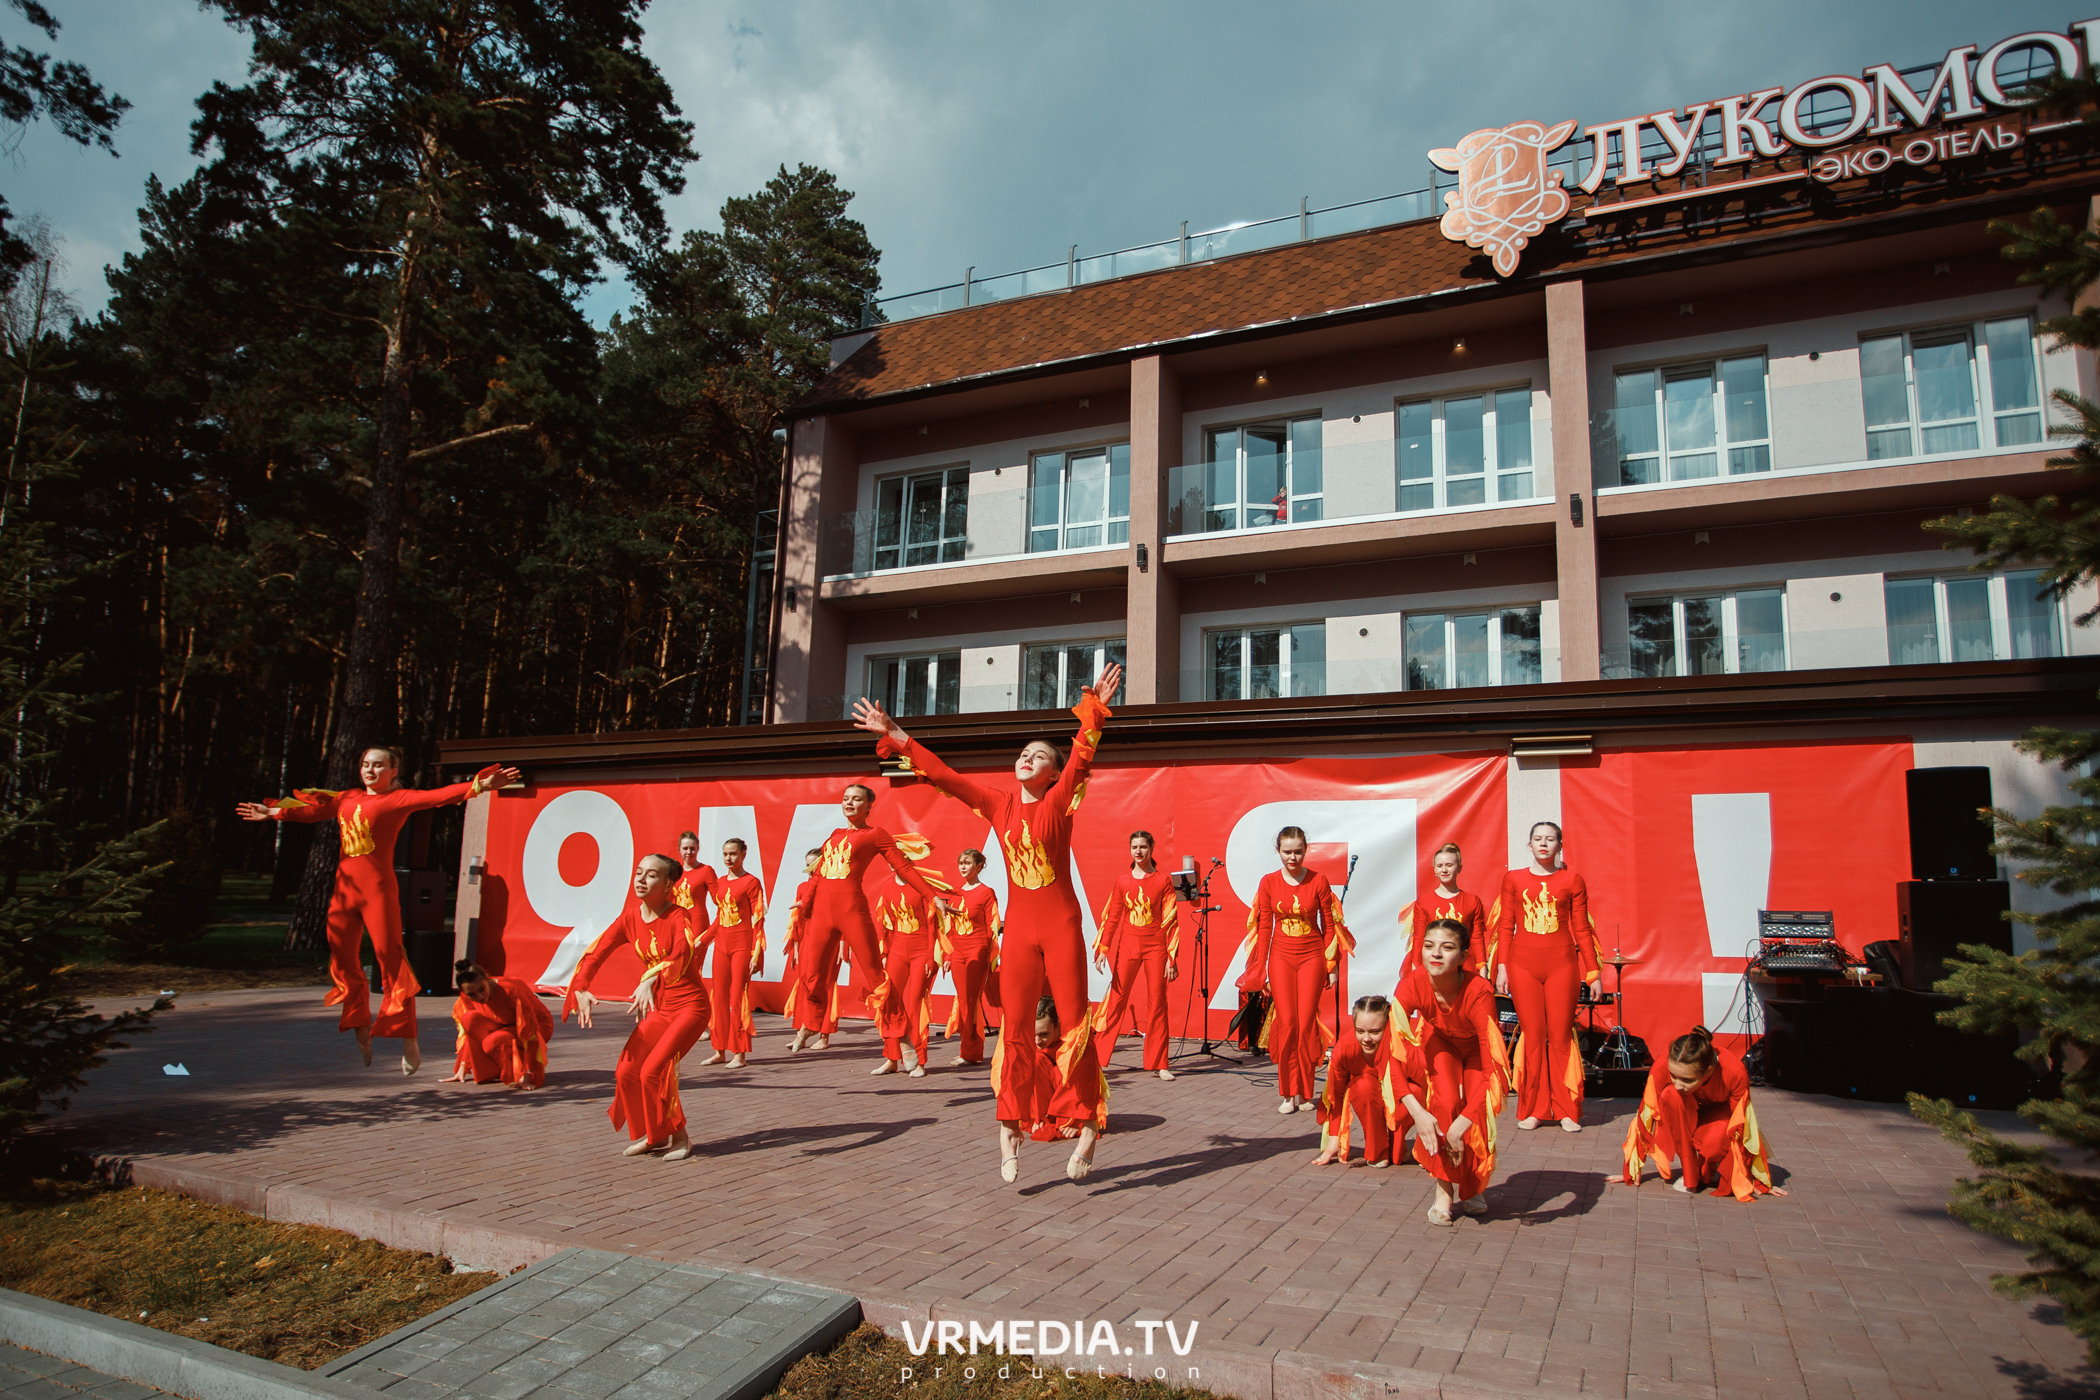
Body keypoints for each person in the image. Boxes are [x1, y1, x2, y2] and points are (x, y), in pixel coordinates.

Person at [853, 662, 1123, 1184]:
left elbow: (1083, 758)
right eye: (1024, 753)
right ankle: (1010, 1125)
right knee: (1015, 1029)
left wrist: (1093, 714)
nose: (1027, 758)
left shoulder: (1059, 802)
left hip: (1063, 926)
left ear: (1051, 772)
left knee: (1073, 1027)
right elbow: (947, 776)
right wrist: (899, 736)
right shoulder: (998, 805)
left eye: (1040, 756)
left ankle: (1087, 1121)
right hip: (1020, 931)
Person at [236, 748, 518, 1074]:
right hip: (344, 895)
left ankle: (408, 1035)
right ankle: (360, 1027)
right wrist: (273, 814)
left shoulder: (396, 800)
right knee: (343, 961)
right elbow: (311, 812)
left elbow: (435, 797)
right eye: (366, 764)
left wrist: (479, 786)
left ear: (392, 770)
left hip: (378, 894)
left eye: (378, 765)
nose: (371, 770)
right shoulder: (346, 798)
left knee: (391, 961)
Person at [565, 854, 710, 1161]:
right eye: (639, 873)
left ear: (668, 884)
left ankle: (681, 1137)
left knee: (654, 1071)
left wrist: (651, 975)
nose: (642, 879)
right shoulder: (630, 918)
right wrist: (580, 986)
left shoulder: (678, 917)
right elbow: (596, 952)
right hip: (662, 1009)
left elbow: (683, 954)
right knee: (627, 1072)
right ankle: (656, 1137)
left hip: (690, 1008)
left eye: (652, 875)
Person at [786, 786, 945, 1057]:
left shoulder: (875, 834)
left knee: (875, 977)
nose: (850, 803)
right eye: (846, 798)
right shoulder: (834, 836)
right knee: (811, 974)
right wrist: (806, 900)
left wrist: (931, 896)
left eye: (857, 799)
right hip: (823, 912)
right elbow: (819, 874)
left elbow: (903, 867)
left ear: (869, 805)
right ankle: (810, 1024)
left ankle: (901, 1037)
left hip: (852, 911)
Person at [1394, 918, 1511, 1226]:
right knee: (1444, 1102)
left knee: (1475, 1111)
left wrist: (1464, 1122)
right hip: (1439, 1040)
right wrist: (1415, 1109)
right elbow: (1390, 1054)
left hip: (1475, 1049)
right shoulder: (1412, 983)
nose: (1436, 954)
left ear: (1463, 955)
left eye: (1447, 948)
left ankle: (1472, 1187)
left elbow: (1493, 1069)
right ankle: (1443, 1190)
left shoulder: (1479, 991)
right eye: (1429, 946)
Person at [1488, 820, 1600, 1132]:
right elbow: (1506, 925)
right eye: (1537, 838)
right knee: (1533, 1036)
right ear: (1530, 844)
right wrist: (1501, 967)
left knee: (1562, 1036)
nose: (1543, 844)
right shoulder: (1513, 879)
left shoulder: (1572, 879)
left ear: (1560, 845)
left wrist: (1594, 973)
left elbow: (1582, 929)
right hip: (1522, 966)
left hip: (1562, 965)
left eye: (1550, 839)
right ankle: (1533, 1108)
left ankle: (1566, 1109)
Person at [1236, 826, 1354, 1114]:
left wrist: (1331, 965)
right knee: (1287, 1023)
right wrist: (1259, 968)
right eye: (1287, 851)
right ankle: (1288, 1092)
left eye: (1298, 851)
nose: (1293, 857)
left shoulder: (1318, 880)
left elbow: (1330, 925)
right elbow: (1265, 928)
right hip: (1281, 957)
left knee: (1305, 1024)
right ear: (1278, 851)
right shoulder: (1268, 882)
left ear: (1306, 849)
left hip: (1312, 956)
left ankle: (1305, 1091)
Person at [1619, 1027, 1780, 1201]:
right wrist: (1632, 1168)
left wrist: (1756, 1179)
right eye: (1673, 1076)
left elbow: (1743, 1125)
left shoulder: (1734, 1072)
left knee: (1714, 1143)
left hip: (1718, 1117)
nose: (1679, 1084)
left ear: (1710, 1070)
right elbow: (1646, 1113)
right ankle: (1690, 1175)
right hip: (1680, 1115)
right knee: (1670, 1094)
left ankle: (1707, 1168)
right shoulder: (1662, 1065)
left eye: (1687, 1080)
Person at [1092, 830, 1179, 1080]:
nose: (1138, 852)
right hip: (1128, 945)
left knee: (1157, 1002)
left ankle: (1160, 1062)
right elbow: (1112, 917)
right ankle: (1098, 1058)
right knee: (1117, 999)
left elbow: (1171, 920)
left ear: (1152, 848)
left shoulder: (1163, 881)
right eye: (1134, 847)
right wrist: (1103, 949)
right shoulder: (1122, 881)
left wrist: (1172, 958)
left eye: (1143, 847)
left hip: (1156, 946)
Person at [1010, 995, 1102, 1182]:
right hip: (1045, 1093)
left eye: (1044, 1034)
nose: (1038, 1040)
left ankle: (1069, 1117)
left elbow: (1088, 1082)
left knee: (1069, 1066)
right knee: (1036, 1061)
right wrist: (1036, 1118)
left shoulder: (1073, 1040)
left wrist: (1075, 1120)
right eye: (1034, 1034)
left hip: (1069, 1090)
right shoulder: (1033, 1046)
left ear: (1057, 1027)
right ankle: (1043, 1117)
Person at [698, 838, 767, 1070]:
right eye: (725, 854)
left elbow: (758, 920)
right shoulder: (720, 882)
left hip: (741, 946)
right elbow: (720, 917)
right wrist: (703, 940)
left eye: (733, 854)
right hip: (721, 946)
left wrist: (758, 954)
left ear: (743, 854)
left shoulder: (751, 882)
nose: (729, 858)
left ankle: (739, 1053)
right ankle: (719, 1051)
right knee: (717, 997)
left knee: (737, 997)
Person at [1313, 995, 1402, 1168]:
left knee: (1399, 1155)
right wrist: (1333, 1140)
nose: (1366, 1039)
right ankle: (1378, 1150)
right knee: (1361, 1086)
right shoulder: (1344, 1049)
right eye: (1360, 1031)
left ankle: (1401, 1145)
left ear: (1388, 1026)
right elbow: (1336, 1096)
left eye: (1375, 1032)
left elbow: (1426, 1088)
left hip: (1402, 1098)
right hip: (1369, 1094)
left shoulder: (1400, 1043)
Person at [442, 960, 552, 1088]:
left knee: (492, 1042)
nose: (480, 996)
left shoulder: (512, 990)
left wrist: (526, 1076)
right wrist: (462, 1068)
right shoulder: (466, 997)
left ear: (487, 978)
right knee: (469, 1019)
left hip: (537, 1026)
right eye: (472, 994)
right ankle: (491, 1071)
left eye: (482, 989)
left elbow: (529, 1031)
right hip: (502, 1024)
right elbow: (468, 1033)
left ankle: (514, 1070)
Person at [874, 870, 940, 1077]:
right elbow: (886, 920)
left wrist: (931, 955)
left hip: (921, 951)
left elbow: (932, 923)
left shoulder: (922, 885)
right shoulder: (886, 885)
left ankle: (919, 1061)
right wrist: (884, 950)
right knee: (890, 1003)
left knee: (914, 1005)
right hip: (897, 950)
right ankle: (891, 1058)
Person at [1395, 843, 1486, 992]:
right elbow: (1419, 937)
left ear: (1459, 868)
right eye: (1440, 866)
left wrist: (1482, 967)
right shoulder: (1424, 901)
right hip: (1433, 965)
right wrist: (1416, 967)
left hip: (1463, 966)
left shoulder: (1472, 901)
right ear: (1435, 870)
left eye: (1449, 865)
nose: (1444, 869)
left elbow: (1476, 938)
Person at [941, 849, 1002, 1066]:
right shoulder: (955, 893)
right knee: (962, 999)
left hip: (976, 949)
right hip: (957, 951)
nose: (963, 867)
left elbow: (991, 925)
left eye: (968, 863)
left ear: (979, 866)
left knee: (971, 1000)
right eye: (961, 863)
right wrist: (947, 956)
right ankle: (968, 1050)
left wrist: (986, 953)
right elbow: (948, 927)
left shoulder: (986, 892)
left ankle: (970, 1051)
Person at [782, 849, 831, 1042]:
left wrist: (844, 945)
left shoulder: (828, 886)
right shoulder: (802, 887)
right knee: (804, 982)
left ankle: (823, 1035)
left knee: (821, 983)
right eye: (807, 866)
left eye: (814, 866)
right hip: (806, 939)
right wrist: (795, 947)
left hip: (825, 939)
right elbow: (796, 920)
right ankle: (802, 1030)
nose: (810, 871)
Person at [674, 830, 717, 918]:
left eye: (692, 848)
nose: (689, 852)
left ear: (698, 848)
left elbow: (719, 899)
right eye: (685, 848)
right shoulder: (674, 872)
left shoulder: (705, 870)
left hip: (697, 924)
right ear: (679, 849)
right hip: (678, 921)